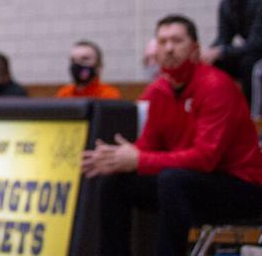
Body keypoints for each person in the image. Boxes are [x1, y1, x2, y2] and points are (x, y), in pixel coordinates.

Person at [83, 15, 262, 256]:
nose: (169, 48)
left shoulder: (216, 86)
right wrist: (118, 159)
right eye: (163, 41)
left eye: (177, 41)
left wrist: (140, 159)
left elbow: (205, 158)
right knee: (115, 182)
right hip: (188, 184)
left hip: (241, 187)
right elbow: (149, 146)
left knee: (172, 180)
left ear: (195, 49)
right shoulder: (159, 90)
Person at [204, 0, 262, 108]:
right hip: (249, 51)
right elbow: (223, 37)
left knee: (249, 63)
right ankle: (219, 108)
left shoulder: (258, 1)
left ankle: (253, 114)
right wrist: (209, 53)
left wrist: (222, 50)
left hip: (257, 53)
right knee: (213, 63)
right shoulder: (226, 4)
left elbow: (256, 43)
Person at [55, 40, 121, 99]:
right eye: (73, 60)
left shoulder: (109, 95)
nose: (77, 64)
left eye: (85, 59)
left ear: (99, 66)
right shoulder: (64, 94)